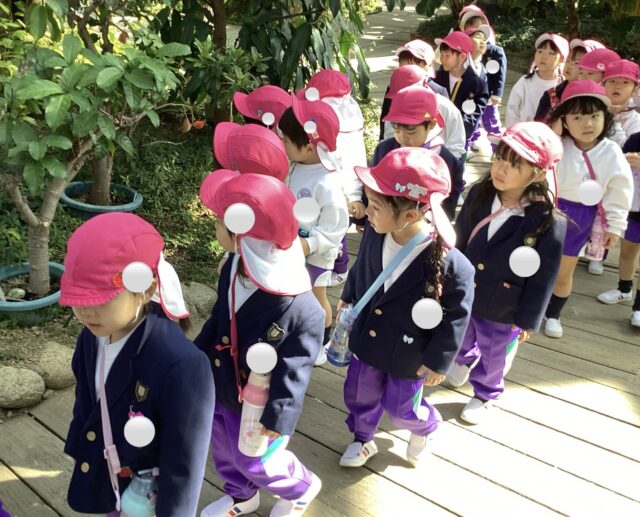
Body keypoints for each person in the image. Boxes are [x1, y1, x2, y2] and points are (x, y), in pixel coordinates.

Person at [60, 212, 215, 516]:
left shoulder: (181, 364)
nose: (86, 311)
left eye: (101, 299)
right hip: (107, 477)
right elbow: (86, 402)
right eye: (78, 299)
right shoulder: (91, 336)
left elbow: (184, 461)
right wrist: (82, 450)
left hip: (147, 494)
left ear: (146, 290)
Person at [196, 171, 325, 517]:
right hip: (223, 384)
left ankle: (300, 485)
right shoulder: (234, 266)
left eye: (219, 222)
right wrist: (193, 358)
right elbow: (219, 320)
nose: (215, 227)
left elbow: (295, 368)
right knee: (224, 450)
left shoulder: (299, 306)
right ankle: (242, 495)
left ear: (243, 235)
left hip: (259, 402)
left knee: (257, 460)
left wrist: (278, 416)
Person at [337, 147, 474, 468]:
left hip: (409, 351)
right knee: (358, 394)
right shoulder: (376, 232)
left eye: (376, 206)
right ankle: (363, 438)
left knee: (402, 409)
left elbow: (456, 316)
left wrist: (439, 360)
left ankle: (425, 426)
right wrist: (350, 293)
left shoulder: (451, 264)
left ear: (410, 215)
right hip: (368, 339)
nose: (367, 212)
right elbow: (363, 268)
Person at [447, 122, 567, 423]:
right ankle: (464, 359)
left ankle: (486, 393)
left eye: (515, 164)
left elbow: (543, 277)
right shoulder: (479, 193)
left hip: (505, 303)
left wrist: (528, 319)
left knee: (495, 352)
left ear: (537, 174)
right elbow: (459, 239)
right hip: (466, 291)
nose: (501, 168)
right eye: (499, 156)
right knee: (459, 333)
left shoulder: (547, 220)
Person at [544, 80, 633, 338]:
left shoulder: (612, 152)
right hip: (548, 210)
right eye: (577, 117)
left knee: (564, 271)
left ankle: (553, 314)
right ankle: (530, 307)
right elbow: (539, 166)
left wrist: (615, 226)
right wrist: (553, 133)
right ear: (564, 120)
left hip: (580, 216)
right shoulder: (557, 145)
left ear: (606, 117)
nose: (587, 123)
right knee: (537, 264)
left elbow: (620, 191)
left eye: (594, 116)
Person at [278, 94, 349, 365]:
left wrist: (310, 244)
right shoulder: (297, 165)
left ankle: (322, 340)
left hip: (316, 253)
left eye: (286, 141)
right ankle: (298, 332)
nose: (282, 144)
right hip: (293, 246)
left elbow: (336, 226)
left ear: (309, 147)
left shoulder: (326, 182)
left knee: (318, 298)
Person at [297, 69, 368, 285]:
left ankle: (340, 267)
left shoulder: (347, 130)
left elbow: (354, 163)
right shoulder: (321, 121)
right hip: (318, 184)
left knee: (336, 228)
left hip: (338, 188)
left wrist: (354, 196)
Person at [372, 84, 465, 219]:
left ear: (431, 124)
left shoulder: (447, 162)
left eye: (411, 131)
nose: (402, 137)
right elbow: (372, 189)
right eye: (396, 129)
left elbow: (447, 209)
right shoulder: (384, 150)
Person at [587, 59, 640, 275]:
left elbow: (628, 148)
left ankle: (599, 254)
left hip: (617, 177)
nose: (618, 86)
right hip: (591, 171)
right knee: (587, 211)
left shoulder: (634, 119)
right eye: (613, 81)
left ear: (634, 89)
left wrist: (616, 123)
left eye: (625, 83)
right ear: (604, 84)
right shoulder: (596, 111)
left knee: (607, 216)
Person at [596, 132, 640, 327]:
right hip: (634, 210)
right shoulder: (635, 139)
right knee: (627, 253)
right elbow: (617, 168)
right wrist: (625, 161)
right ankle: (624, 289)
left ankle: (638, 307)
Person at [381, 64, 466, 161]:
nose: (403, 137)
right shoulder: (395, 110)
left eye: (411, 130)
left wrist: (439, 163)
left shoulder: (446, 108)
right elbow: (389, 139)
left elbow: (456, 147)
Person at [379, 39, 449, 140]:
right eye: (402, 66)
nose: (407, 70)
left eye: (412, 66)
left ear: (427, 65)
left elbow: (446, 128)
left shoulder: (438, 92)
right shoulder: (394, 86)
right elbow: (385, 119)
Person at [459, 8, 508, 142]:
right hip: (471, 96)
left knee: (491, 122)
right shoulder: (462, 51)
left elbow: (500, 72)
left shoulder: (493, 50)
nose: (476, 33)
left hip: (489, 96)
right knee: (471, 121)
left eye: (479, 29)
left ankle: (497, 145)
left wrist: (497, 94)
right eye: (471, 30)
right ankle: (471, 141)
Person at [434, 31, 489, 144]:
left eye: (447, 56)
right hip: (434, 136)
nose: (443, 60)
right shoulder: (436, 78)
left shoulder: (477, 84)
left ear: (462, 56)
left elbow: (473, 114)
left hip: (458, 140)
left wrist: (458, 131)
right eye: (442, 55)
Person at [534, 38, 605, 123]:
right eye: (568, 60)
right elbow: (538, 126)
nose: (569, 66)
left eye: (576, 63)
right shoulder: (551, 95)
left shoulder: (603, 99)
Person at [506, 33, 568, 127]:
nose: (543, 56)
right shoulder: (524, 82)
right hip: (524, 133)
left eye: (551, 53)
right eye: (540, 51)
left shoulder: (562, 86)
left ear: (561, 58)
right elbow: (512, 111)